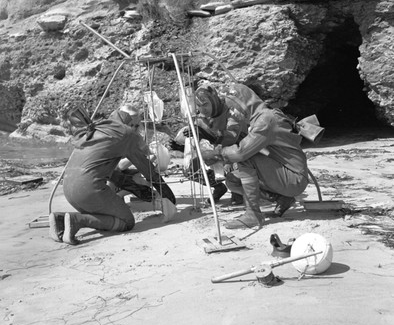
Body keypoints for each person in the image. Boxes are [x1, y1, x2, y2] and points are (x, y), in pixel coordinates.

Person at [49, 104, 176, 245]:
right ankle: (76, 220)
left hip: (69, 190)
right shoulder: (125, 134)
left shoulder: (98, 129)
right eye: (133, 125)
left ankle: (59, 218)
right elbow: (147, 169)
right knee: (126, 222)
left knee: (107, 214)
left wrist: (132, 185)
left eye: (136, 126)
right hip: (89, 190)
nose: (135, 129)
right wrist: (164, 190)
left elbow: (108, 170)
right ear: (127, 122)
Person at [201, 83, 309, 229]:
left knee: (245, 157)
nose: (233, 113)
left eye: (234, 108)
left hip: (294, 178)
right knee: (233, 181)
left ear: (243, 103)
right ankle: (282, 198)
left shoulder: (266, 120)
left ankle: (253, 215)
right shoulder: (259, 119)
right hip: (287, 174)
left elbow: (241, 152)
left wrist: (217, 154)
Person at [169, 85, 246, 204]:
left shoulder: (232, 110)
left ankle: (239, 189)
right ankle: (218, 187)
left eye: (205, 104)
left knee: (233, 165)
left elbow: (231, 137)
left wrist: (206, 134)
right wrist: (182, 147)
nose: (202, 109)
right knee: (190, 169)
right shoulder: (201, 117)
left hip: (241, 150)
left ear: (214, 100)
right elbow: (200, 143)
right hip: (216, 153)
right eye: (199, 106)